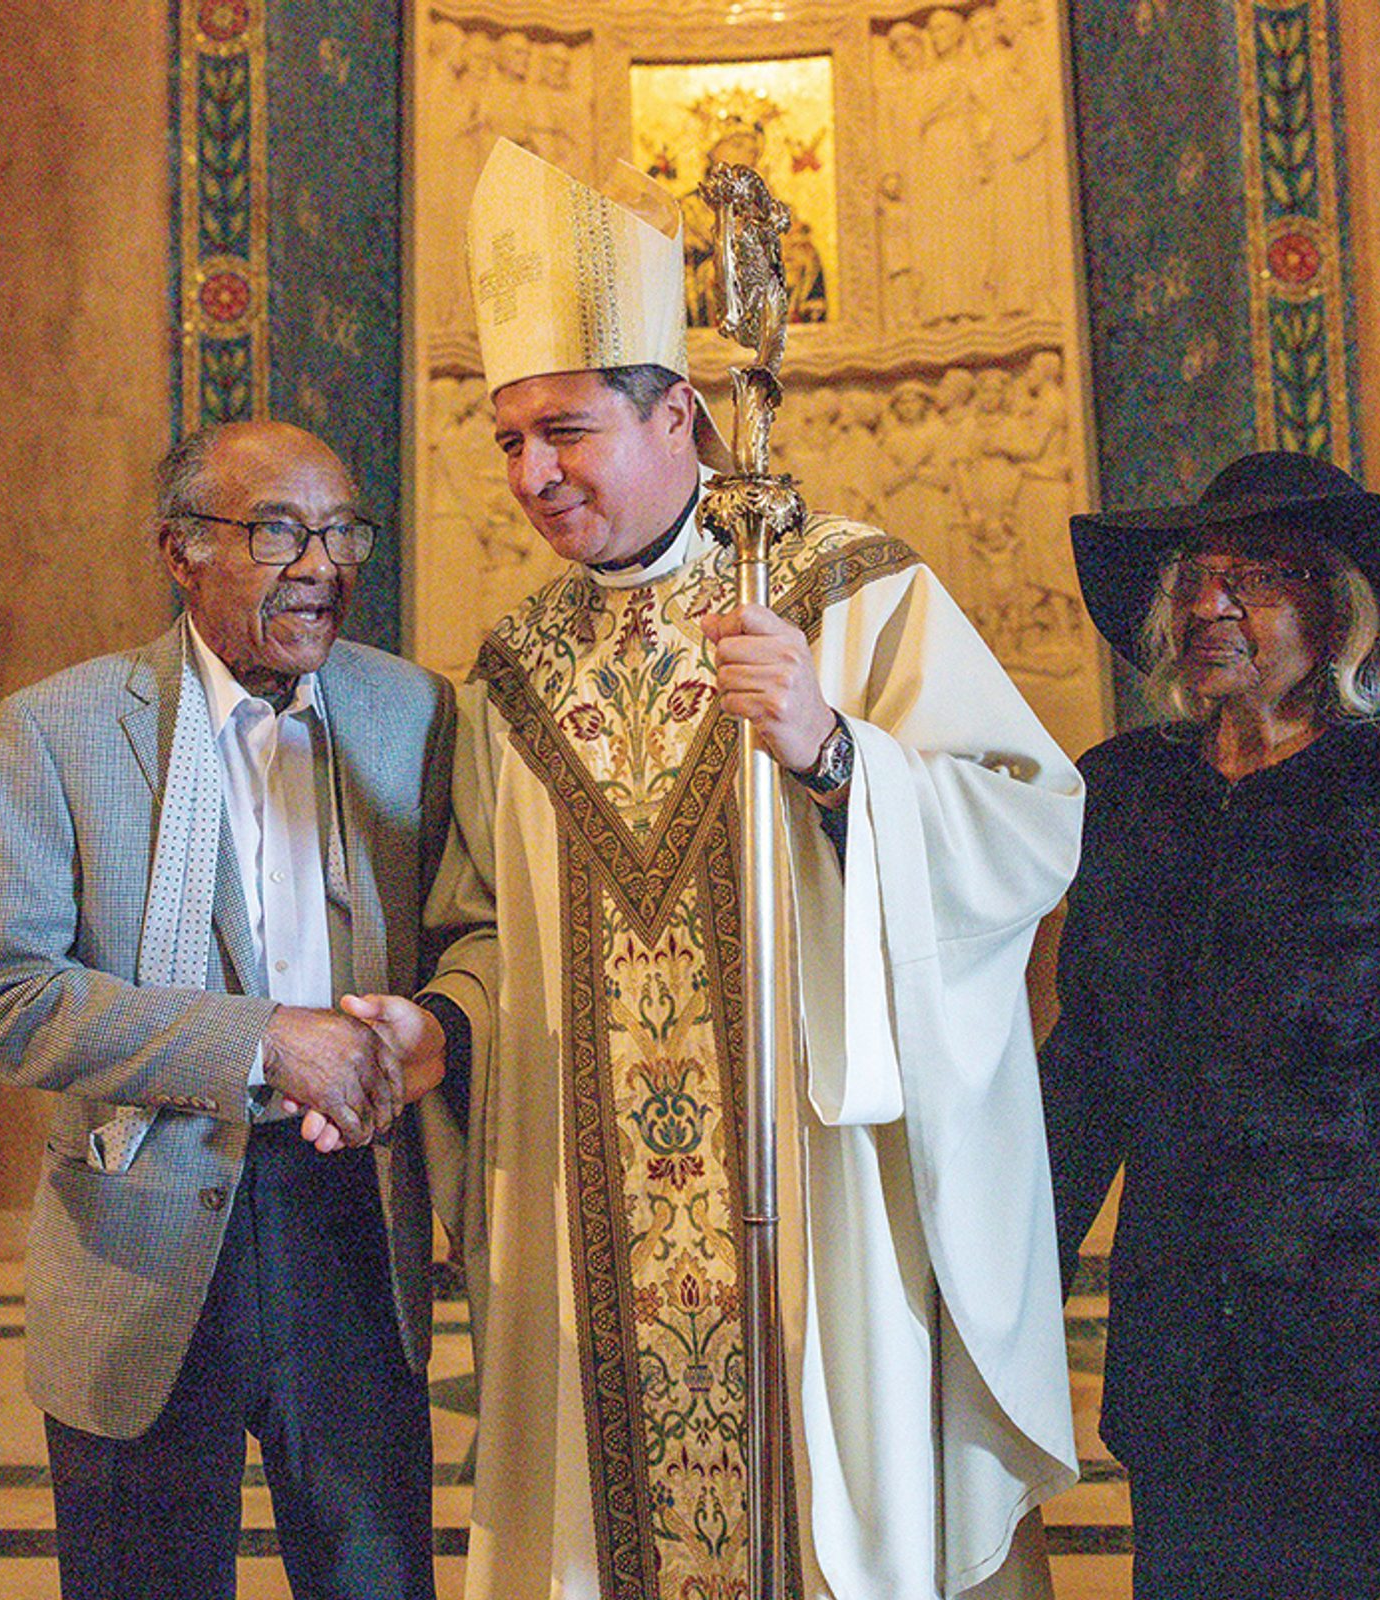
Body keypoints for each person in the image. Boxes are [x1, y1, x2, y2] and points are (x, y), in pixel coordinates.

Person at [304, 138, 1082, 1599]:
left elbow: (1029, 824)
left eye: (569, 431)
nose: (533, 473)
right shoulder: (512, 668)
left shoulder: (851, 592)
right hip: (588, 1208)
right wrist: (442, 1029)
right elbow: (483, 926)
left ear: (682, 417)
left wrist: (839, 752)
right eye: (509, 440)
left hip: (821, 1189)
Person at [0, 420, 454, 1600]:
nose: (320, 563)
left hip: (354, 1222)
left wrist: (424, 1025)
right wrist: (266, 1037)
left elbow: (480, 932)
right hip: (140, 1227)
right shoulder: (61, 728)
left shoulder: (417, 715)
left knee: (377, 1577)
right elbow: (0, 998)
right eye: (277, 530)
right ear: (180, 552)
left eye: (340, 531)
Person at [1040, 451, 1380, 1599]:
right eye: (1194, 577)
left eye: (1254, 579)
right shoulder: (1125, 790)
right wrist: (1006, 1281)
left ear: (1335, 609)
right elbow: (1084, 1068)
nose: (1209, 605)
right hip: (1180, 1351)